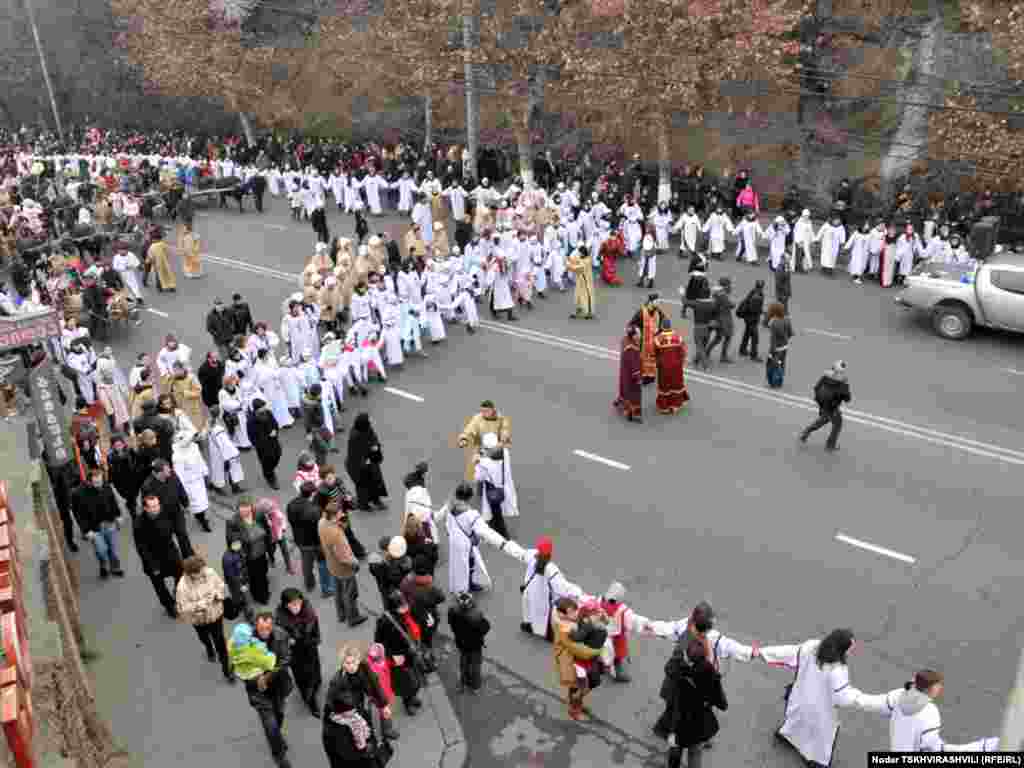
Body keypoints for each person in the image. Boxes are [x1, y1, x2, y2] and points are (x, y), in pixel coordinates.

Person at [759, 629, 884, 768]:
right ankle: (817, 762)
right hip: (821, 710)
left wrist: (761, 652)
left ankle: (787, 737)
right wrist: (870, 700)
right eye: (850, 648)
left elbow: (788, 652)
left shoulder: (811, 647)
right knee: (823, 737)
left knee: (797, 720)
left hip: (800, 698)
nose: (851, 651)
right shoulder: (838, 669)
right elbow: (843, 697)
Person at [868, 669, 998, 752]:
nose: (940, 689)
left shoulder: (900, 697)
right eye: (937, 687)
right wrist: (985, 747)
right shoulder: (929, 712)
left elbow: (869, 702)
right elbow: (936, 748)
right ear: (927, 689)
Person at [233, 613, 294, 768]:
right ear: (255, 627)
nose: (265, 631)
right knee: (270, 724)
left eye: (268, 628)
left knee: (279, 715)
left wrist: (268, 676)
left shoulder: (281, 635)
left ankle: (277, 737)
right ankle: (279, 755)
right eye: (261, 628)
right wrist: (256, 678)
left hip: (279, 686)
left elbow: (286, 658)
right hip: (258, 692)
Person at [435, 482, 513, 594]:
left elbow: (436, 517)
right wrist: (502, 543)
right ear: (469, 497)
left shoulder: (449, 505)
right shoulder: (471, 515)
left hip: (454, 541)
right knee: (467, 565)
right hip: (466, 543)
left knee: (459, 566)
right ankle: (464, 589)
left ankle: (462, 587)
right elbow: (486, 532)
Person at [663, 636, 729, 768]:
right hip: (699, 723)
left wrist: (679, 658)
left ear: (688, 658)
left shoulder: (680, 673)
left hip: (679, 723)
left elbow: (668, 668)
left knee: (675, 750)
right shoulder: (710, 672)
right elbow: (723, 704)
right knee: (695, 754)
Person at [175, 554, 234, 683]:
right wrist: (198, 606)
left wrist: (218, 595)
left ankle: (227, 669)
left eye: (202, 569)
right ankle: (209, 648)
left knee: (220, 641)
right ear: (190, 573)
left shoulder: (209, 572)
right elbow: (182, 608)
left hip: (215, 615)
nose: (202, 573)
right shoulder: (182, 587)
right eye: (199, 572)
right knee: (204, 638)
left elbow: (221, 585)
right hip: (199, 621)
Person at [513, 535, 586, 639]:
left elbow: (518, 552)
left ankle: (528, 625)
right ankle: (549, 635)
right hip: (544, 601)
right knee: (545, 619)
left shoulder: (532, 556)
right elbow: (562, 588)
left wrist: (503, 543)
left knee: (529, 610)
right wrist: (579, 593)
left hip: (530, 594)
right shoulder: (550, 569)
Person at [325, 643, 398, 741]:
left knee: (380, 714)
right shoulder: (337, 681)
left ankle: (385, 731)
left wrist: (384, 705)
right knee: (364, 728)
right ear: (342, 664)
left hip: (366, 699)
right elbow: (330, 704)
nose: (351, 666)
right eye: (347, 663)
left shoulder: (364, 666)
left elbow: (374, 684)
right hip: (353, 709)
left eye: (354, 662)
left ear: (358, 660)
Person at [374, 590, 425, 715]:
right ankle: (408, 703)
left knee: (415, 679)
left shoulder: (406, 613)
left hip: (411, 652)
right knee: (406, 683)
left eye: (405, 604)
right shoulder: (384, 622)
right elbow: (379, 643)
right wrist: (391, 656)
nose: (406, 607)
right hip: (399, 656)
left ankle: (412, 697)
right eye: (402, 606)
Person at [275, 588, 323, 718]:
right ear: (286, 605)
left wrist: (315, 639)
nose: (297, 607)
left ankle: (316, 683)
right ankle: (310, 701)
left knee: (314, 668)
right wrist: (288, 641)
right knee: (303, 677)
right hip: (295, 653)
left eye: (298, 603)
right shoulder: (281, 619)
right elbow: (279, 638)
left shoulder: (308, 610)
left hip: (309, 645)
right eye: (293, 604)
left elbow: (315, 625)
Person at [71, 466, 125, 580]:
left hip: (109, 523)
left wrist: (118, 516)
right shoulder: (78, 494)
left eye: (101, 481)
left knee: (112, 548)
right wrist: (86, 531)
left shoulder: (105, 486)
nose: (100, 484)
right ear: (89, 481)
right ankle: (103, 566)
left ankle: (115, 568)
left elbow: (112, 501)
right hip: (94, 528)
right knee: (101, 550)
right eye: (96, 482)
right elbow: (78, 515)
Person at [552, 597, 602, 721]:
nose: (576, 614)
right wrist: (596, 651)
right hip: (571, 662)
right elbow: (577, 649)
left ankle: (574, 701)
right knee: (580, 686)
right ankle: (574, 710)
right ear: (561, 614)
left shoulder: (569, 621)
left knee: (585, 684)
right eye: (572, 612)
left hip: (577, 661)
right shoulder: (564, 630)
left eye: (575, 610)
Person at [135, 494, 185, 618]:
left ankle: (177, 594)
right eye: (152, 507)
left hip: (170, 554)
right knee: (159, 586)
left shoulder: (165, 513)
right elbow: (141, 548)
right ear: (145, 508)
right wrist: (152, 565)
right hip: (153, 560)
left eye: (157, 505)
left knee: (180, 575)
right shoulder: (139, 523)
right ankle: (169, 606)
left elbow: (176, 529)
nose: (156, 509)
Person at [319, 501, 367, 626]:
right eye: (340, 512)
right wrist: (355, 563)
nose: (342, 514)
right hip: (344, 569)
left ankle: (341, 614)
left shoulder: (322, 522)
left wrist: (339, 525)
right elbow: (344, 557)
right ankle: (353, 617)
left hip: (332, 564)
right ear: (334, 516)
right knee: (350, 593)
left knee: (338, 591)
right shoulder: (336, 534)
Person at [140, 459, 195, 557]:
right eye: (167, 470)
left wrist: (186, 504)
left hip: (176, 513)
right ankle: (174, 562)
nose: (170, 470)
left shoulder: (172, 475)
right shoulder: (147, 486)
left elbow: (180, 488)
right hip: (162, 518)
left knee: (183, 536)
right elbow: (147, 507)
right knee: (167, 542)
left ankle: (189, 558)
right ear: (158, 473)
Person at [399, 555, 446, 668]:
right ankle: (428, 662)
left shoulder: (406, 580)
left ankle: (424, 654)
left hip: (413, 615)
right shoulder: (431, 586)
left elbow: (402, 594)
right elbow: (441, 598)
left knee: (419, 637)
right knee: (427, 639)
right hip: (428, 616)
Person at [225, 497, 273, 605]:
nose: (245, 510)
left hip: (261, 552)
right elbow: (231, 541)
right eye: (242, 507)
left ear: (251, 506)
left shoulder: (258, 515)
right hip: (248, 555)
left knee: (263, 572)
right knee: (254, 576)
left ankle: (263, 592)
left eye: (247, 506)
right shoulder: (232, 522)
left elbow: (267, 531)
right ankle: (260, 596)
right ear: (238, 508)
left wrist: (270, 549)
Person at [288, 481, 332, 595]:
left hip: (301, 541)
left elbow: (291, 521)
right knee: (322, 564)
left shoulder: (291, 504)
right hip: (316, 542)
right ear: (312, 494)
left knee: (307, 564)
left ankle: (309, 584)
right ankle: (326, 588)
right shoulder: (314, 509)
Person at [473, 431, 517, 539]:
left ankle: (503, 535)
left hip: (491, 489)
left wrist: (477, 462)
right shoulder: (505, 453)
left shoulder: (484, 463)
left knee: (496, 511)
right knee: (496, 509)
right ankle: (495, 524)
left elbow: (478, 477)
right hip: (503, 485)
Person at [799, 360, 851, 452]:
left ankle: (806, 432)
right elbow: (847, 399)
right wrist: (846, 389)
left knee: (824, 419)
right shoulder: (843, 382)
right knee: (837, 424)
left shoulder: (825, 376)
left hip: (823, 404)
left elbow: (816, 388)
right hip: (833, 407)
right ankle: (830, 445)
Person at [322, 689, 380, 768]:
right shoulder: (333, 727)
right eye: (346, 696)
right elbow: (346, 754)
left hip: (366, 759)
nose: (350, 697)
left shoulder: (358, 712)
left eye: (350, 694)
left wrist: (371, 743)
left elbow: (370, 730)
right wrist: (365, 750)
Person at [448, 591, 491, 693]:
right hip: (475, 645)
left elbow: (452, 625)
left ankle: (464, 682)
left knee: (464, 663)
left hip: (461, 644)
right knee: (475, 665)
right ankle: (475, 686)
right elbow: (485, 627)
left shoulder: (453, 612)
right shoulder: (476, 616)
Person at [345, 412, 388, 512]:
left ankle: (376, 500)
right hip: (357, 465)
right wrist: (370, 450)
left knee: (376, 480)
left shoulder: (367, 428)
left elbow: (373, 438)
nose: (370, 421)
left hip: (369, 461)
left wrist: (375, 445)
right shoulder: (354, 436)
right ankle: (363, 504)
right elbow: (356, 452)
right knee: (362, 485)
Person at [653, 320, 690, 416]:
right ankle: (675, 405)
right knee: (676, 384)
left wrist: (657, 362)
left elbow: (654, 353)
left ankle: (664, 406)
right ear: (670, 326)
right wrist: (681, 361)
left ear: (662, 326)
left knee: (664, 385)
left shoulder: (658, 338)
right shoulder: (678, 337)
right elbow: (683, 351)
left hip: (664, 366)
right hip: (676, 366)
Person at [630, 294, 667, 383]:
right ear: (651, 302)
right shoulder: (641, 312)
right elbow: (631, 325)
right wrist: (636, 332)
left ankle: (651, 376)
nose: (658, 303)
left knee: (652, 360)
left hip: (653, 342)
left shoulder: (658, 311)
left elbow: (665, 321)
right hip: (643, 343)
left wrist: (660, 331)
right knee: (643, 360)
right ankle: (642, 376)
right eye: (657, 301)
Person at [247, 398, 282, 490]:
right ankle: (270, 478)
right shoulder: (251, 421)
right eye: (262, 407)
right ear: (257, 409)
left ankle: (270, 471)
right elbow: (252, 437)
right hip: (262, 447)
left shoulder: (268, 413)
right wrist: (266, 437)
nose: (264, 408)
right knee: (266, 463)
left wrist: (275, 430)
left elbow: (275, 423)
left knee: (277, 456)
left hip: (274, 442)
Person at [106, 433, 140, 519]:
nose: (118, 446)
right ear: (113, 446)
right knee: (129, 498)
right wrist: (110, 480)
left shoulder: (130, 451)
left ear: (123, 443)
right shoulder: (110, 456)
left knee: (133, 497)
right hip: (121, 482)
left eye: (120, 444)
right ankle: (133, 513)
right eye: (116, 445)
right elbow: (111, 470)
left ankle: (131, 506)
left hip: (132, 479)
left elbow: (137, 462)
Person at [613, 325, 643, 422]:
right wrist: (638, 377)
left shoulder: (625, 340)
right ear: (633, 336)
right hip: (631, 376)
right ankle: (632, 413)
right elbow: (634, 366)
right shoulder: (632, 349)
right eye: (638, 334)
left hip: (624, 370)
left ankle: (621, 401)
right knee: (634, 394)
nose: (640, 335)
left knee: (624, 389)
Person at [704, 277, 735, 365]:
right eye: (729, 284)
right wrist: (732, 303)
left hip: (715, 318)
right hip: (723, 320)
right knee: (727, 337)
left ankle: (706, 352)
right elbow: (731, 305)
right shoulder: (722, 295)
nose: (730, 286)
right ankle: (723, 356)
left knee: (718, 338)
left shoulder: (716, 292)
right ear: (725, 285)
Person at [765, 302, 793, 389]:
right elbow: (790, 333)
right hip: (784, 346)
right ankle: (780, 380)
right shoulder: (787, 320)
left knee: (772, 364)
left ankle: (773, 381)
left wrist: (772, 349)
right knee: (782, 363)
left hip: (775, 348)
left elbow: (773, 338)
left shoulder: (774, 322)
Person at [736, 280, 765, 361]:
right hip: (752, 319)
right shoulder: (757, 296)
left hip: (748, 318)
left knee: (747, 334)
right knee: (755, 337)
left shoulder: (753, 292)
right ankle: (754, 355)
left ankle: (742, 349)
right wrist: (762, 312)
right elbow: (754, 309)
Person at [565, 245, 595, 319]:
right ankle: (578, 309)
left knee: (586, 297)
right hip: (580, 280)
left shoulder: (587, 261)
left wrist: (568, 265)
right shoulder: (583, 258)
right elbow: (576, 260)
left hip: (585, 282)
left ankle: (588, 313)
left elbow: (577, 268)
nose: (578, 254)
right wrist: (569, 258)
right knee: (577, 296)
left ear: (583, 253)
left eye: (580, 252)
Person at [146, 227, 176, 292]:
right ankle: (171, 286)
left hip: (157, 264)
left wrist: (148, 261)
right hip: (165, 263)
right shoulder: (163, 244)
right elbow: (169, 251)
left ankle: (161, 287)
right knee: (168, 274)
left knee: (158, 276)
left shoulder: (152, 247)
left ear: (154, 239)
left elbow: (150, 256)